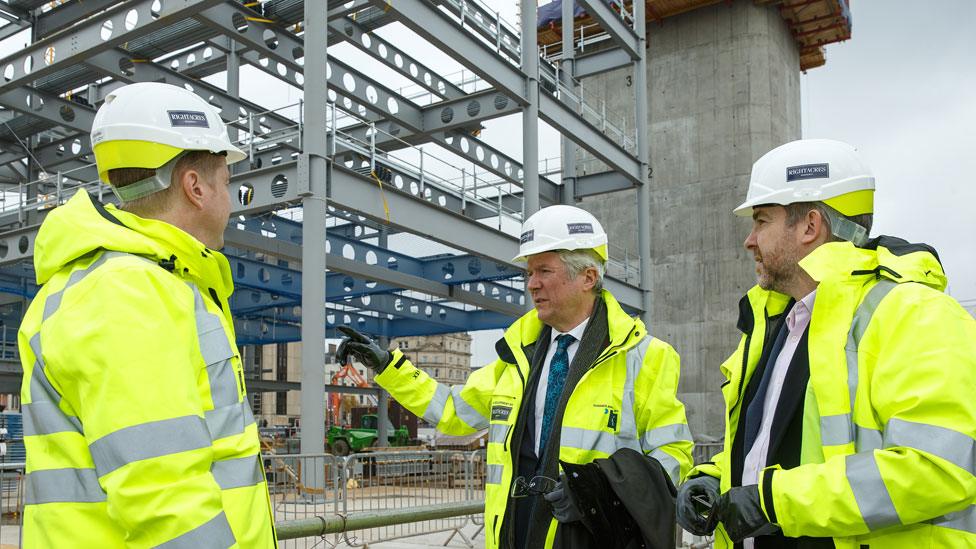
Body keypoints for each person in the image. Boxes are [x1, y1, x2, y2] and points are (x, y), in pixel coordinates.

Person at [675, 139, 976, 548]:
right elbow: (771, 445)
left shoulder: (915, 313)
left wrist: (774, 502)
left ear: (810, 226)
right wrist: (712, 477)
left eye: (761, 221)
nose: (750, 240)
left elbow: (937, 467)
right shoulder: (783, 323)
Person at [337, 205, 693, 549]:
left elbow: (673, 458)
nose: (531, 285)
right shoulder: (517, 357)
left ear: (588, 277)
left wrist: (598, 491)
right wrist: (387, 367)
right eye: (529, 273)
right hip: (516, 533)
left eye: (544, 272)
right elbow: (453, 411)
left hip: (590, 537)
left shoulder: (645, 357)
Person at [18, 82, 277, 547]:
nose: (232, 200)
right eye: (226, 181)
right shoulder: (128, 292)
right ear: (195, 187)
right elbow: (166, 498)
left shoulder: (138, 282)